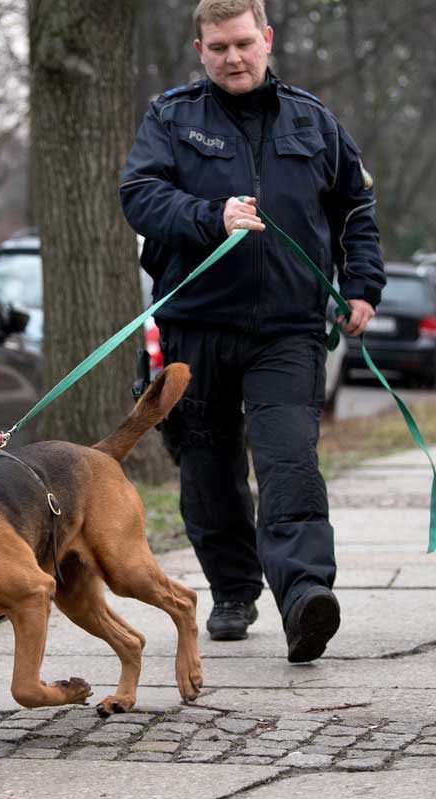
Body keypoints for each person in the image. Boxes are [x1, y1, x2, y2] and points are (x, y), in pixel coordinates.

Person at [119, 0, 385, 662]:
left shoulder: (314, 120)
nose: (233, 57)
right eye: (218, 47)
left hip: (288, 329)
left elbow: (355, 208)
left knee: (289, 457)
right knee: (207, 467)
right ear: (200, 49)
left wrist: (362, 287)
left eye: (243, 42)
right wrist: (211, 215)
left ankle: (304, 598)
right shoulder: (172, 117)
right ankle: (234, 590)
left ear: (266, 39)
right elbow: (140, 194)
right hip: (197, 323)